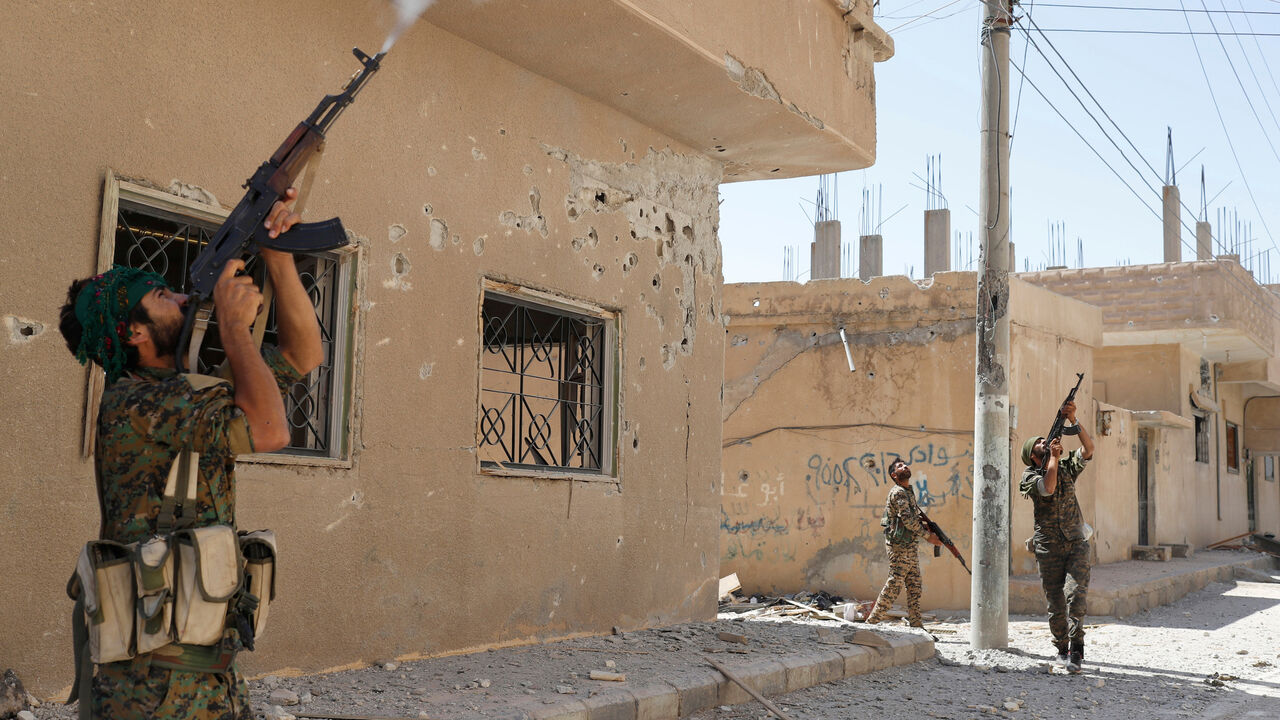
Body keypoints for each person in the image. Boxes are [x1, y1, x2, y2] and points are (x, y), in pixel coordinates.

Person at [58, 190, 323, 719]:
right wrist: (233, 328)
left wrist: (277, 255)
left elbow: (301, 355)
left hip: (200, 672)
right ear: (133, 332)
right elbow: (270, 430)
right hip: (155, 689)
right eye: (161, 297)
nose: (182, 299)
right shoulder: (136, 401)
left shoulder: (183, 392)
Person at [1019, 399, 1095, 673]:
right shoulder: (1028, 476)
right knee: (1056, 601)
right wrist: (1053, 458)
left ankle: (1076, 649)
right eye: (1040, 443)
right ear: (1032, 455)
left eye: (1046, 439)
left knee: (1075, 596)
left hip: (1075, 542)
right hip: (1048, 547)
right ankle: (1061, 647)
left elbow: (1088, 450)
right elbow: (1048, 488)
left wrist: (1073, 422)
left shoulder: (1064, 466)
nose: (1046, 441)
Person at [864, 458, 942, 628]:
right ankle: (871, 623)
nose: (905, 466)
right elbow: (908, 521)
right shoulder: (898, 492)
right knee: (895, 583)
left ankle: (916, 625)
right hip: (899, 546)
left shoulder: (908, 492)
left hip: (909, 545)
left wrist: (927, 529)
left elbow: (913, 519)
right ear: (894, 475)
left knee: (914, 585)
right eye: (900, 466)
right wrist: (928, 537)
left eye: (905, 464)